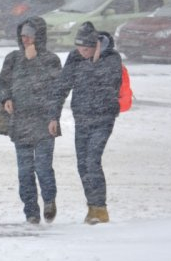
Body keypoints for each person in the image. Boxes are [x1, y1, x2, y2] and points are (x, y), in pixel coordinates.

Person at [50, 21, 121, 224]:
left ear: (96, 45)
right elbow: (62, 86)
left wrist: (94, 62)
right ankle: (92, 208)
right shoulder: (75, 57)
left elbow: (108, 82)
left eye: (86, 48)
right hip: (82, 118)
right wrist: (53, 116)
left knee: (92, 160)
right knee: (82, 165)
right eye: (79, 47)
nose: (81, 52)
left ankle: (101, 209)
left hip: (104, 118)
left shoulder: (112, 59)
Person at [0, 17, 62, 224]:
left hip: (44, 122)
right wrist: (5, 97)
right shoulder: (12, 58)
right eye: (23, 35)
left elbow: (55, 88)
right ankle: (31, 211)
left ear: (39, 37)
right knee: (25, 172)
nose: (26, 39)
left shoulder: (51, 59)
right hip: (20, 123)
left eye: (30, 35)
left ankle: (49, 201)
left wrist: (34, 61)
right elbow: (2, 82)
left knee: (43, 167)